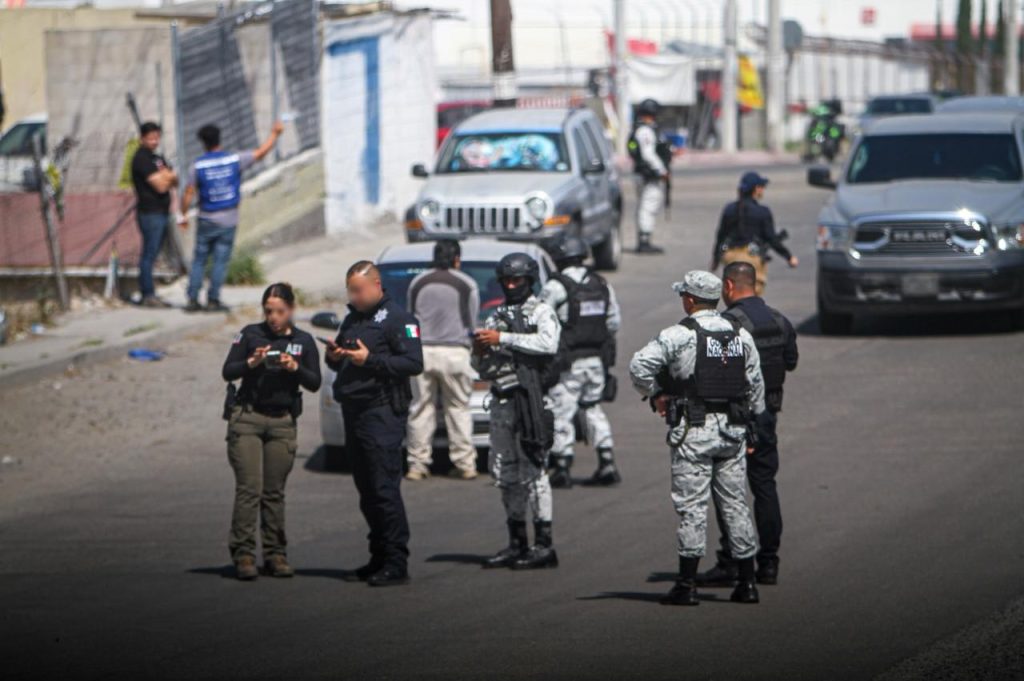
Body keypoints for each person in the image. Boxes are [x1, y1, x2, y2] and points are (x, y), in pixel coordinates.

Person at [629, 270, 765, 606]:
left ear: (689, 299)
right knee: (735, 505)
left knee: (692, 508)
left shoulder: (679, 334)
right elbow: (756, 387)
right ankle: (747, 584)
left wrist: (657, 393)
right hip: (732, 430)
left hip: (694, 430)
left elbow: (638, 366)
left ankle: (687, 585)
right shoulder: (741, 335)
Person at [697, 261, 798, 588]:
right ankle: (769, 564)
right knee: (765, 487)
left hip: (734, 418)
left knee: (729, 492)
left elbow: (713, 372)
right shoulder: (780, 321)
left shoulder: (728, 324)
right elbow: (791, 363)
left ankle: (732, 562)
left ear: (728, 287)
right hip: (767, 416)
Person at [325, 261, 423, 587]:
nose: (353, 297)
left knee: (384, 490)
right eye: (349, 291)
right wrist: (336, 356)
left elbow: (413, 362)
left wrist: (371, 360)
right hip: (355, 412)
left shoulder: (399, 319)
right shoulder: (354, 317)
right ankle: (378, 556)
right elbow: (340, 361)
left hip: (381, 414)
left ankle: (397, 562)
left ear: (376, 285)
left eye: (358, 290)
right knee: (366, 491)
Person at [221, 282, 322, 580]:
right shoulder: (251, 334)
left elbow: (314, 382)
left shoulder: (303, 341)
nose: (273, 317)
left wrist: (294, 367)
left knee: (274, 492)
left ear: (291, 310)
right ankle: (244, 555)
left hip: (282, 423)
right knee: (249, 489)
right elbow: (228, 371)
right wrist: (252, 362)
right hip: (248, 419)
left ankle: (276, 554)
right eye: (268, 311)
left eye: (279, 311)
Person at [473, 253, 561, 570]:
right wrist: (480, 349)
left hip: (531, 402)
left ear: (529, 280)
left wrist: (504, 338)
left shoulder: (542, 312)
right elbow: (483, 368)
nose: (511, 285)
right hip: (502, 403)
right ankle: (516, 542)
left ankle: (544, 545)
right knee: (505, 473)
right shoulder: (496, 315)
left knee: (534, 474)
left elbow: (548, 345)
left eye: (517, 280)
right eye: (507, 280)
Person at [540, 234, 622, 488]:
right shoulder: (601, 283)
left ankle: (562, 465)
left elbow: (541, 319)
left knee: (561, 410)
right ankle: (606, 459)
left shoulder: (556, 287)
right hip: (597, 360)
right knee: (592, 407)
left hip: (568, 362)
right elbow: (613, 322)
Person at [179, 121, 284, 312]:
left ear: (202, 142)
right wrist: (275, 134)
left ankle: (192, 299)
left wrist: (183, 214)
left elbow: (188, 192)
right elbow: (260, 153)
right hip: (229, 220)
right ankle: (213, 300)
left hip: (206, 219)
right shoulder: (234, 159)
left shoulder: (198, 165)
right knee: (220, 261)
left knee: (199, 260)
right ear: (220, 139)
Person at [405, 239, 481, 481]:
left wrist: (412, 343)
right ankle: (465, 463)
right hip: (455, 353)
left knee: (420, 409)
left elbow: (411, 322)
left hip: (423, 352)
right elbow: (471, 321)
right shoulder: (466, 283)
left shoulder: (418, 282)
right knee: (458, 408)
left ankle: (417, 465)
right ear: (457, 258)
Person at [711, 171, 798, 295]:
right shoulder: (762, 211)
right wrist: (789, 257)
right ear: (756, 189)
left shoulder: (729, 209)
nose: (763, 190)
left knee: (733, 295)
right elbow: (771, 239)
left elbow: (720, 236)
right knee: (752, 297)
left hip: (730, 258)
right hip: (751, 259)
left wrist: (715, 259)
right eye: (762, 187)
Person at [130, 121, 177, 308]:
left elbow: (174, 179)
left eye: (157, 137)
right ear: (142, 138)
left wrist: (168, 176)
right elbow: (162, 184)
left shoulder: (156, 158)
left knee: (155, 253)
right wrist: (167, 177)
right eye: (151, 138)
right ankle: (147, 294)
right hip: (150, 213)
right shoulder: (141, 159)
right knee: (149, 254)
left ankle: (150, 292)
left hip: (162, 211)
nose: (155, 141)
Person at [627, 98, 670, 254]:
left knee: (645, 206)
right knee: (648, 206)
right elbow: (648, 154)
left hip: (644, 174)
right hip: (649, 176)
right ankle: (644, 240)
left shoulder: (643, 129)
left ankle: (644, 238)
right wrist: (662, 170)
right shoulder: (645, 131)